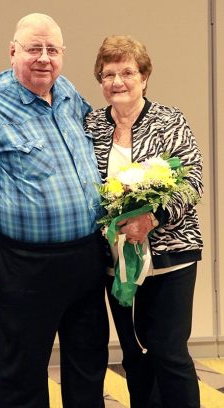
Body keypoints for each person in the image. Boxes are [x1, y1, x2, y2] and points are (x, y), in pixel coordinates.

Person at [0, 13, 109, 408]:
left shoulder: (67, 94)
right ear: (12, 52)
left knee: (87, 368)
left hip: (85, 261)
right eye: (34, 49)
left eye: (52, 50)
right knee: (19, 378)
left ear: (63, 54)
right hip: (20, 267)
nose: (44, 58)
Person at [84, 35, 203, 408]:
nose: (117, 82)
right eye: (108, 74)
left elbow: (194, 179)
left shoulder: (169, 119)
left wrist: (153, 217)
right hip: (117, 264)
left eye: (127, 72)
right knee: (135, 356)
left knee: (168, 353)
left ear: (145, 76)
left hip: (171, 258)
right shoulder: (91, 126)